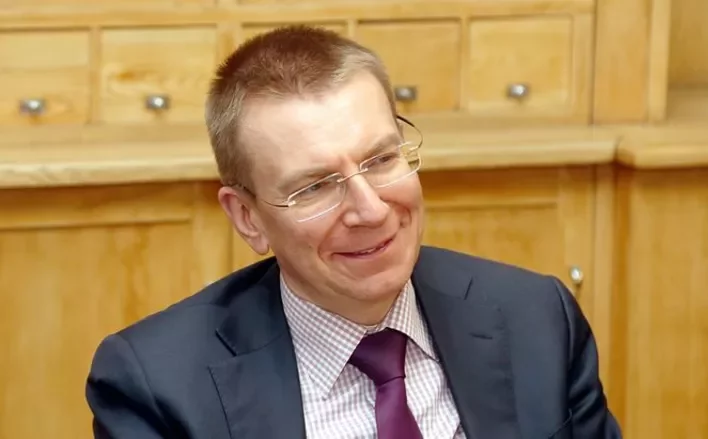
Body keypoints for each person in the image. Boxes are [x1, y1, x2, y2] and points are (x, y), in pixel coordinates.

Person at [85, 25, 622, 439]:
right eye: (316, 187)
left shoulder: (537, 319)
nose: (371, 209)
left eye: (382, 160)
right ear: (248, 218)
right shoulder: (157, 387)